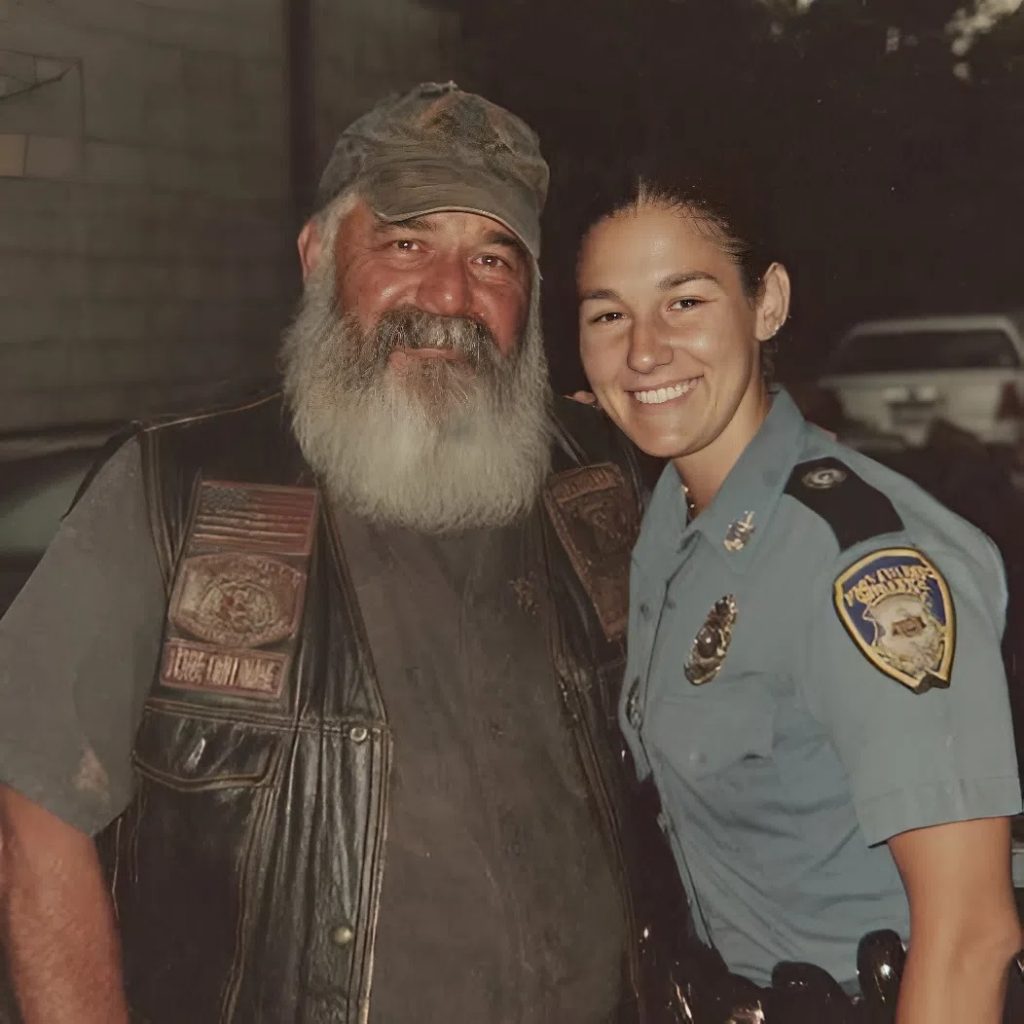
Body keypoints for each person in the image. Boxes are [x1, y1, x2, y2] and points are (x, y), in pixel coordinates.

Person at [0, 84, 711, 1024]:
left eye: (492, 259)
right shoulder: (173, 491)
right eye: (406, 245)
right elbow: (35, 810)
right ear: (317, 257)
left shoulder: (598, 482)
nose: (449, 297)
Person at [575, 167, 1024, 1022]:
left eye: (685, 302)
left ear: (768, 303)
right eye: (608, 315)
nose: (643, 351)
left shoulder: (864, 563)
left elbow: (972, 935)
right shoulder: (667, 528)